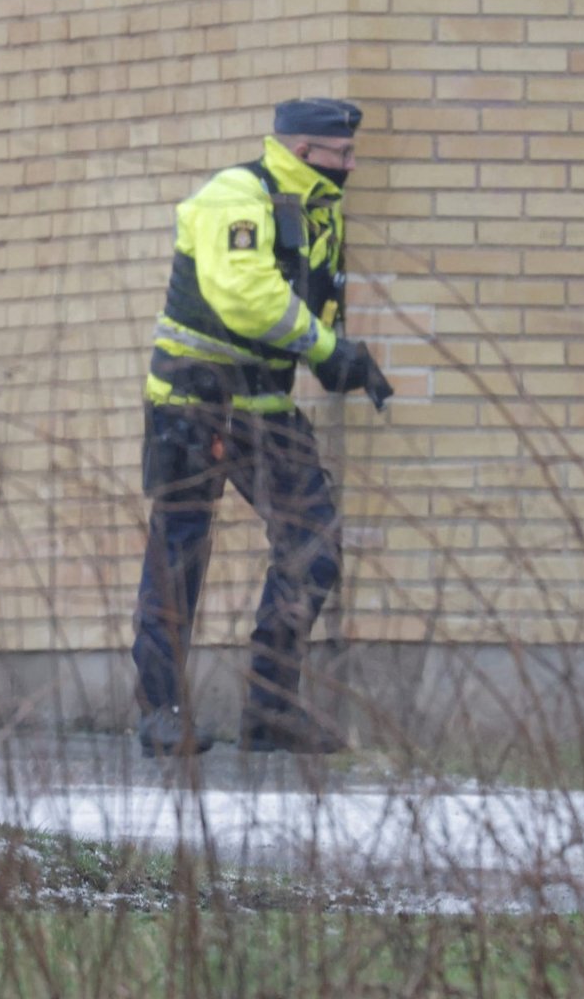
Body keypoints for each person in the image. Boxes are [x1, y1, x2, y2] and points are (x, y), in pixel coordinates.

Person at [132, 98, 393, 758]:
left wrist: (340, 358)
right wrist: (326, 348)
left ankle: (271, 711)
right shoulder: (235, 195)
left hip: (266, 409)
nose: (352, 164)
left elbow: (305, 306)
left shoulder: (316, 215)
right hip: (194, 405)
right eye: (343, 154)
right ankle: (161, 713)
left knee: (314, 545)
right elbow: (246, 297)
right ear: (305, 151)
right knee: (180, 554)